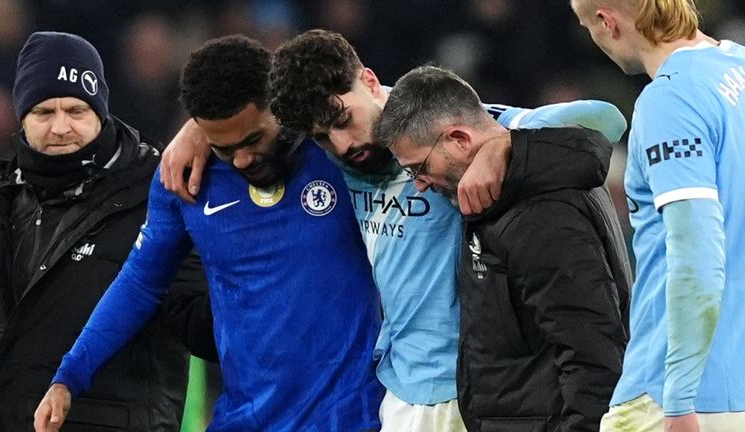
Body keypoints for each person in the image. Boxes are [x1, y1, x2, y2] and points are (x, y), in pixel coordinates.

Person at [161, 29, 630, 432]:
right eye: (322, 137)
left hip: (474, 386)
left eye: (343, 120)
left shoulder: (439, 133)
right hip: (401, 391)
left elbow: (607, 121)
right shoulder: (332, 161)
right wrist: (197, 131)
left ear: (369, 82)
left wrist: (503, 145)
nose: (343, 145)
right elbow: (253, 108)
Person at [33, 34, 383, 432]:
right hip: (243, 420)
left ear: (280, 106)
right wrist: (70, 375)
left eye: (253, 139)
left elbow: (383, 102)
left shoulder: (336, 151)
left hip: (352, 419)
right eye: (224, 148)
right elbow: (140, 283)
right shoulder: (184, 179)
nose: (243, 159)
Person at [0, 31, 215, 432]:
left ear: (100, 112)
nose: (60, 127)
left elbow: (199, 320)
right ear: (21, 117)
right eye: (43, 112)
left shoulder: (158, 191)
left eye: (76, 110)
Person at [376, 65, 632, 432]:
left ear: (459, 139)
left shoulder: (540, 212)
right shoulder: (511, 195)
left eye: (420, 168)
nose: (419, 185)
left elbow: (591, 358)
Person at [570, 1, 745, 431]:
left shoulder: (671, 99)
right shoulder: (737, 65)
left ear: (606, 21)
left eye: (587, 26)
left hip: (684, 394)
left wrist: (679, 398)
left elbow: (697, 256)